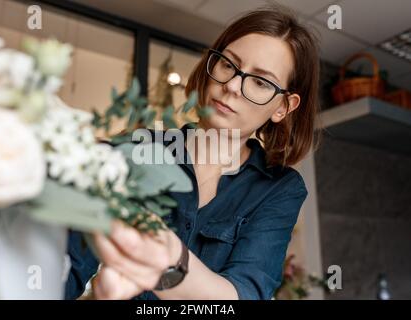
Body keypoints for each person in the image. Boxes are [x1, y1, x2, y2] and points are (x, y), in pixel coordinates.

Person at [65, 6, 321, 300]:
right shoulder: (138, 151)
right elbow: (67, 269)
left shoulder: (278, 188)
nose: (232, 86)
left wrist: (166, 258)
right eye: (228, 65)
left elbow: (244, 294)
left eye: (260, 82)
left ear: (283, 107)